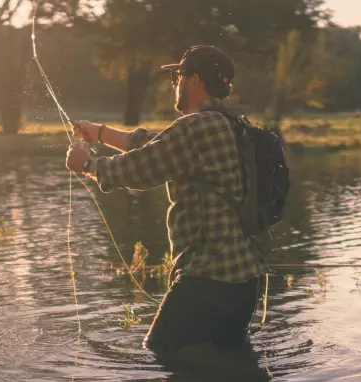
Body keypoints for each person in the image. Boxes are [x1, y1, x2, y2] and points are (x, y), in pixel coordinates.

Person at [66, 45, 267, 357]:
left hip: (207, 281)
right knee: (226, 364)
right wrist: (99, 133)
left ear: (195, 81)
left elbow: (139, 169)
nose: (175, 83)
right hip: (244, 282)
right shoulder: (233, 123)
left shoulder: (195, 127)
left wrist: (87, 165)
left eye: (178, 76)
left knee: (160, 353)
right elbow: (154, 146)